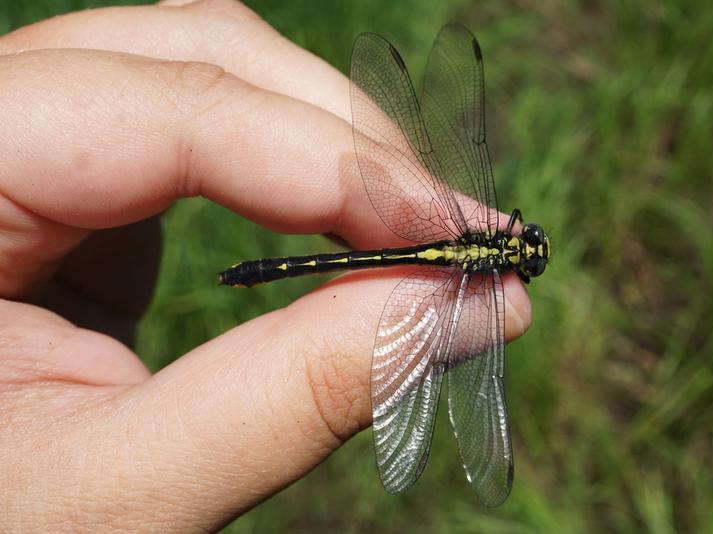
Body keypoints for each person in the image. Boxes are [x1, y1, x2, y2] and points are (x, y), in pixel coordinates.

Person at [0, 0, 531, 529]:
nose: (524, 246)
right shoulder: (484, 273)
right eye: (526, 245)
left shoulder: (478, 253)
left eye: (526, 251)